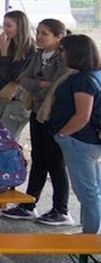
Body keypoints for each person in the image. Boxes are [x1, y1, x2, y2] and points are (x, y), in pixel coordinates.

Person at [3, 18, 73, 225]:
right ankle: (29, 204)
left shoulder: (63, 59)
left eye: (45, 33)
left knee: (55, 161)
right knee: (39, 159)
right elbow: (23, 79)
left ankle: (61, 209)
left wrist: (39, 84)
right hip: (37, 111)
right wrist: (40, 83)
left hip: (54, 114)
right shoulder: (39, 54)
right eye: (38, 32)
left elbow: (57, 86)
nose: (39, 37)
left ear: (59, 37)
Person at [49, 34, 101, 234]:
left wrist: (63, 134)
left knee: (87, 192)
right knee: (93, 189)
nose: (60, 54)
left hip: (79, 141)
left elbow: (82, 116)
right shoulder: (92, 74)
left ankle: (89, 237)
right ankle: (90, 230)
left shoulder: (83, 80)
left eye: (62, 50)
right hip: (87, 140)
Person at [0, 10, 36, 139]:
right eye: (4, 25)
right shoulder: (7, 45)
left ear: (20, 27)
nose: (5, 29)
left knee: (7, 137)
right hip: (3, 94)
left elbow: (13, 76)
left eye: (9, 26)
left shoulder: (30, 49)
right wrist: (3, 51)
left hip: (19, 99)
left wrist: (4, 53)